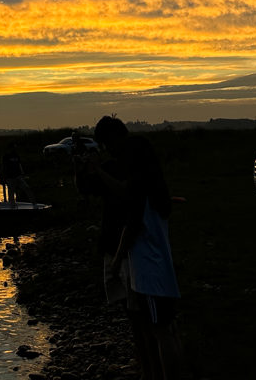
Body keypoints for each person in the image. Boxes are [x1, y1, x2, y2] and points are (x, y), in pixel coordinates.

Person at [85, 118, 184, 380]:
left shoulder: (138, 189)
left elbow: (130, 228)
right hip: (162, 269)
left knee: (160, 332)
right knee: (169, 328)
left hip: (148, 274)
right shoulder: (155, 187)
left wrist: (117, 260)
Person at [0, 141, 36, 207]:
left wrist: (22, 173)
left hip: (18, 177)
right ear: (10, 148)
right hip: (10, 177)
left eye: (15, 147)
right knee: (11, 192)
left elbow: (19, 165)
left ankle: (34, 203)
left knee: (27, 188)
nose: (14, 149)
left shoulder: (17, 156)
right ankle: (12, 205)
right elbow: (3, 168)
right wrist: (4, 178)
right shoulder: (5, 156)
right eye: (13, 147)